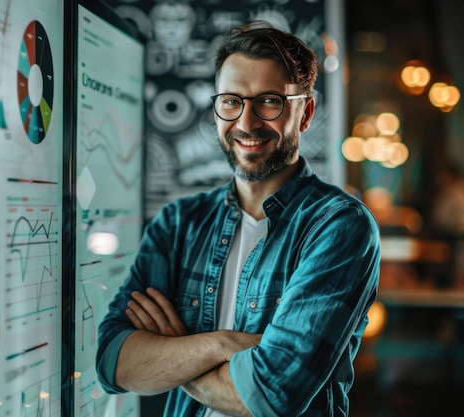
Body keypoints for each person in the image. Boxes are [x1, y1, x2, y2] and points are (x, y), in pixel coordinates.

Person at [96, 20, 381, 417]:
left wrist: (176, 348)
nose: (246, 124)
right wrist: (221, 344)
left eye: (269, 101)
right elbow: (114, 362)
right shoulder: (179, 223)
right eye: (231, 101)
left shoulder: (338, 226)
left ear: (305, 112)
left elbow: (275, 396)